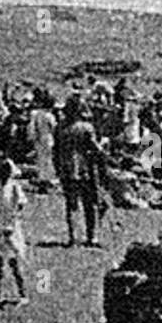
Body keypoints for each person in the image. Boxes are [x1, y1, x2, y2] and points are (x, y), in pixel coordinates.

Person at [55, 96, 107, 247]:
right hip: (85, 169)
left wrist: (58, 168)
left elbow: (56, 150)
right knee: (89, 204)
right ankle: (92, 237)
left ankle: (73, 237)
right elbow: (96, 149)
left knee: (71, 204)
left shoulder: (60, 127)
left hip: (67, 169)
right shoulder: (86, 128)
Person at [0, 155, 29, 306]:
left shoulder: (14, 187)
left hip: (11, 227)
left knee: (14, 261)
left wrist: (12, 220)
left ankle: (23, 294)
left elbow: (20, 204)